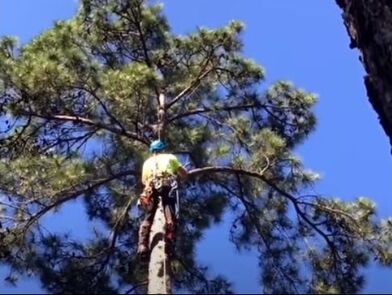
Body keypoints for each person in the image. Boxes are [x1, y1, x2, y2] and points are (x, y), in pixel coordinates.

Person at [137, 139, 187, 257]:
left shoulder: (147, 162)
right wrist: (182, 175)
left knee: (149, 215)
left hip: (150, 186)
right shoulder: (170, 157)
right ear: (162, 149)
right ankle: (169, 243)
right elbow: (184, 174)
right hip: (167, 183)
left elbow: (144, 181)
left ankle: (142, 245)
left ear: (152, 151)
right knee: (169, 208)